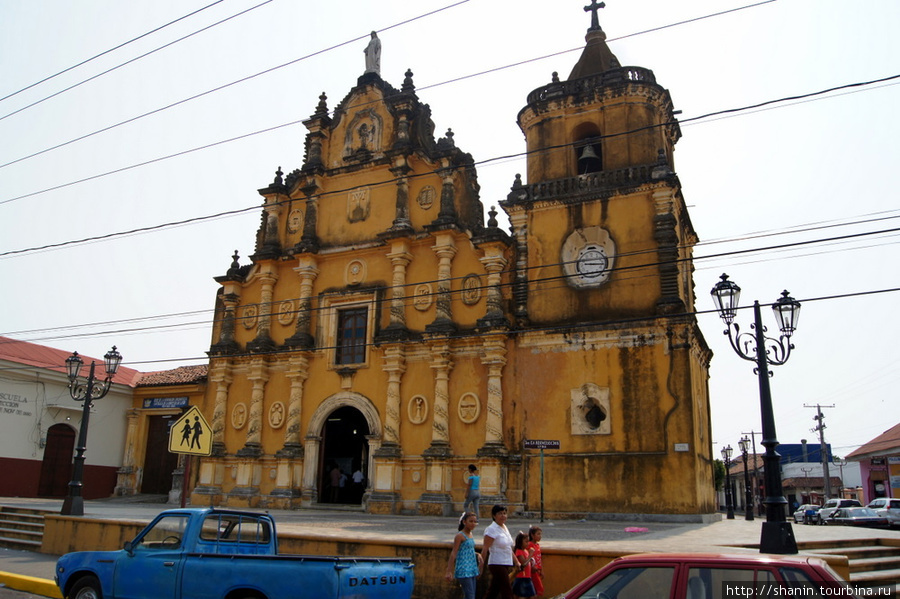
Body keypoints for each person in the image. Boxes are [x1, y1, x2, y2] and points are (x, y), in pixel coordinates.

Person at [445, 512, 483, 599]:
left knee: (470, 594)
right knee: (470, 595)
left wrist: (477, 554)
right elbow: (454, 552)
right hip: (464, 569)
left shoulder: (470, 534)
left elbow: (467, 550)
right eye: (471, 521)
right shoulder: (460, 536)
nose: (473, 524)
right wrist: (449, 571)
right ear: (464, 522)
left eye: (475, 521)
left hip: (472, 567)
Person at [482, 504, 515, 599]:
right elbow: (485, 548)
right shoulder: (491, 529)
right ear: (494, 516)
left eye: (504, 513)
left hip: (506, 562)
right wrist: (481, 565)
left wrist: (516, 561)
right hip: (497, 563)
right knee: (507, 589)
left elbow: (508, 547)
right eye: (500, 513)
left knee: (493, 590)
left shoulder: (504, 527)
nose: (503, 516)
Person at [512, 532, 536, 599]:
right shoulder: (519, 551)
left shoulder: (525, 551)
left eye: (528, 541)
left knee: (532, 596)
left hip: (527, 577)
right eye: (526, 542)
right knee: (520, 596)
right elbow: (524, 563)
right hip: (521, 577)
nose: (527, 543)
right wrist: (530, 555)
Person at [527, 526, 544, 598]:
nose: (540, 536)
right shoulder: (530, 545)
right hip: (533, 570)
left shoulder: (537, 545)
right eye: (538, 534)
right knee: (539, 589)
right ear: (532, 535)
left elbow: (539, 559)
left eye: (540, 534)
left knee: (535, 589)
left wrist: (542, 570)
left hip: (538, 570)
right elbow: (528, 557)